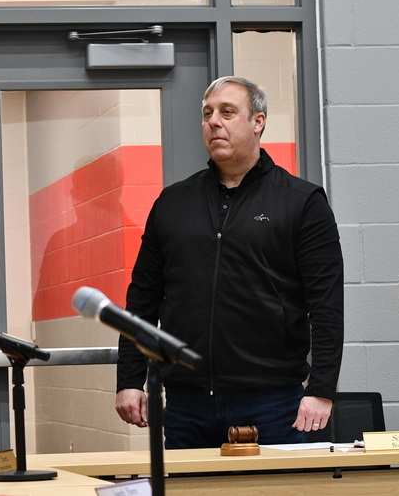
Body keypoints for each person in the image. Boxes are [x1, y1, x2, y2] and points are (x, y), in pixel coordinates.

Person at [115, 76, 344, 449]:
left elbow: (327, 305)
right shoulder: (173, 203)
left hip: (272, 402)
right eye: (207, 114)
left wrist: (321, 388)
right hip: (186, 403)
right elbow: (141, 300)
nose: (213, 122)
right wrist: (129, 379)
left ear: (258, 122)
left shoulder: (301, 202)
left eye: (227, 112)